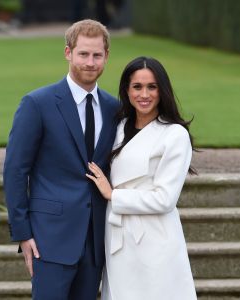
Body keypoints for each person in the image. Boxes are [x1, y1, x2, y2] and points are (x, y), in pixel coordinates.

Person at [3, 19, 119, 300]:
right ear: (68, 53)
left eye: (97, 55)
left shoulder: (114, 107)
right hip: (49, 238)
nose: (90, 62)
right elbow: (15, 171)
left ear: (106, 57)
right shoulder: (37, 103)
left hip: (96, 240)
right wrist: (23, 233)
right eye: (83, 54)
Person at [86, 56, 197, 299]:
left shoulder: (174, 134)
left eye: (152, 87)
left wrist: (113, 194)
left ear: (162, 90)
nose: (144, 94)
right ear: (126, 90)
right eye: (137, 87)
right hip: (116, 236)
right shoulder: (118, 127)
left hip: (154, 239)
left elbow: (165, 199)